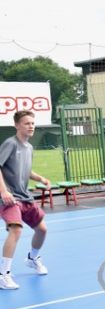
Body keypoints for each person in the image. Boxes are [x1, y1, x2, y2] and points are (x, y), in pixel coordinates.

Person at [0, 110, 51, 290]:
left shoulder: (28, 148)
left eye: (32, 123)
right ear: (16, 125)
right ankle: (3, 274)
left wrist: (41, 179)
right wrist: (4, 191)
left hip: (25, 196)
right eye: (26, 123)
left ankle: (32, 258)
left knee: (42, 230)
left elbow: (26, 170)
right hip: (9, 198)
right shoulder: (10, 144)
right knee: (16, 229)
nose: (31, 126)